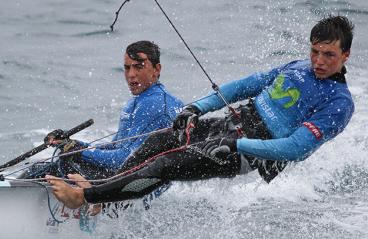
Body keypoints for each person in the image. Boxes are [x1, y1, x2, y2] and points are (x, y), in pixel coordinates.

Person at [47, 15, 355, 209]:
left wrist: (237, 145)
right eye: (314, 51)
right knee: (158, 141)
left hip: (250, 151)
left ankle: (84, 198)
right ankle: (105, 192)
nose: (318, 60)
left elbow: (295, 149)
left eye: (329, 54)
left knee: (166, 164)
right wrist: (197, 108)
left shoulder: (340, 104)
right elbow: (245, 86)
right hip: (230, 125)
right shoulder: (298, 67)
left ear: (345, 55)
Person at [21, 40, 183, 180]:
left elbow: (125, 160)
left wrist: (77, 151)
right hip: (126, 173)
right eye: (127, 68)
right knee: (54, 164)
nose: (131, 75)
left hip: (137, 183)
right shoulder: (139, 100)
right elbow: (116, 148)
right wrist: (74, 144)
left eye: (138, 67)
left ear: (157, 69)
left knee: (57, 167)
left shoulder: (156, 104)